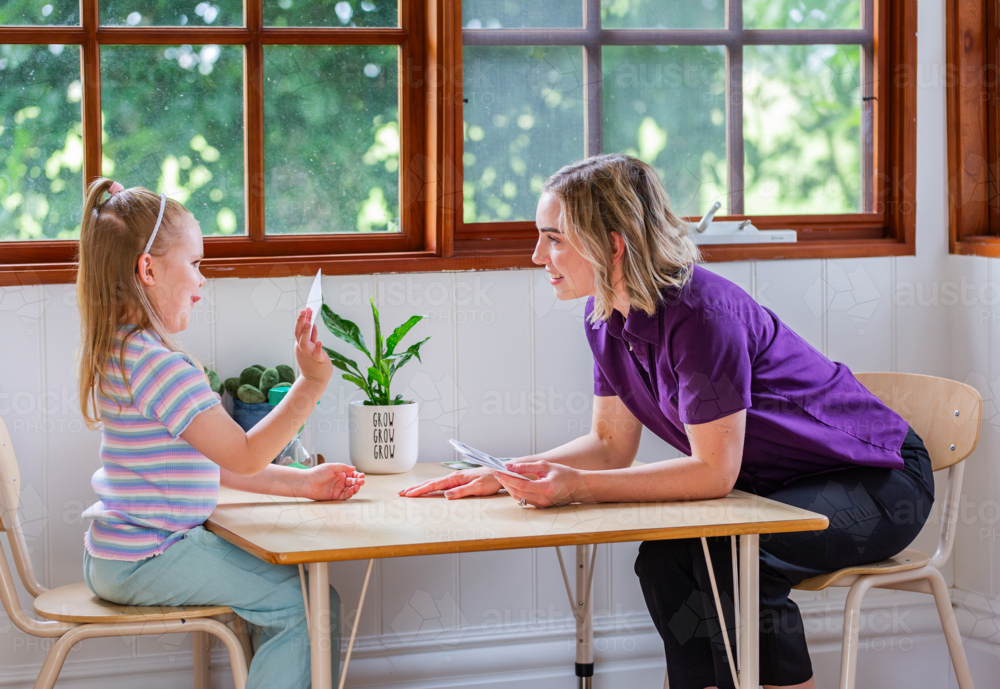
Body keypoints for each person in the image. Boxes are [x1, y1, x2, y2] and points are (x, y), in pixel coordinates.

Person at [400, 154, 934, 689]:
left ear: (612, 243)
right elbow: (610, 445)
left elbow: (712, 474)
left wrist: (576, 489)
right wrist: (508, 472)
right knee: (665, 558)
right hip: (784, 483)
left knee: (737, 557)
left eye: (554, 237)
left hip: (879, 478)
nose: (539, 255)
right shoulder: (605, 316)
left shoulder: (703, 317)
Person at [76, 178, 364, 689]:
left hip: (120, 554)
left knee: (289, 597)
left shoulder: (122, 353)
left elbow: (220, 463)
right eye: (195, 263)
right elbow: (246, 453)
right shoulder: (160, 367)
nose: (202, 279)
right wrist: (310, 383)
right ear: (148, 269)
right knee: (308, 605)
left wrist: (301, 483)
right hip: (148, 556)